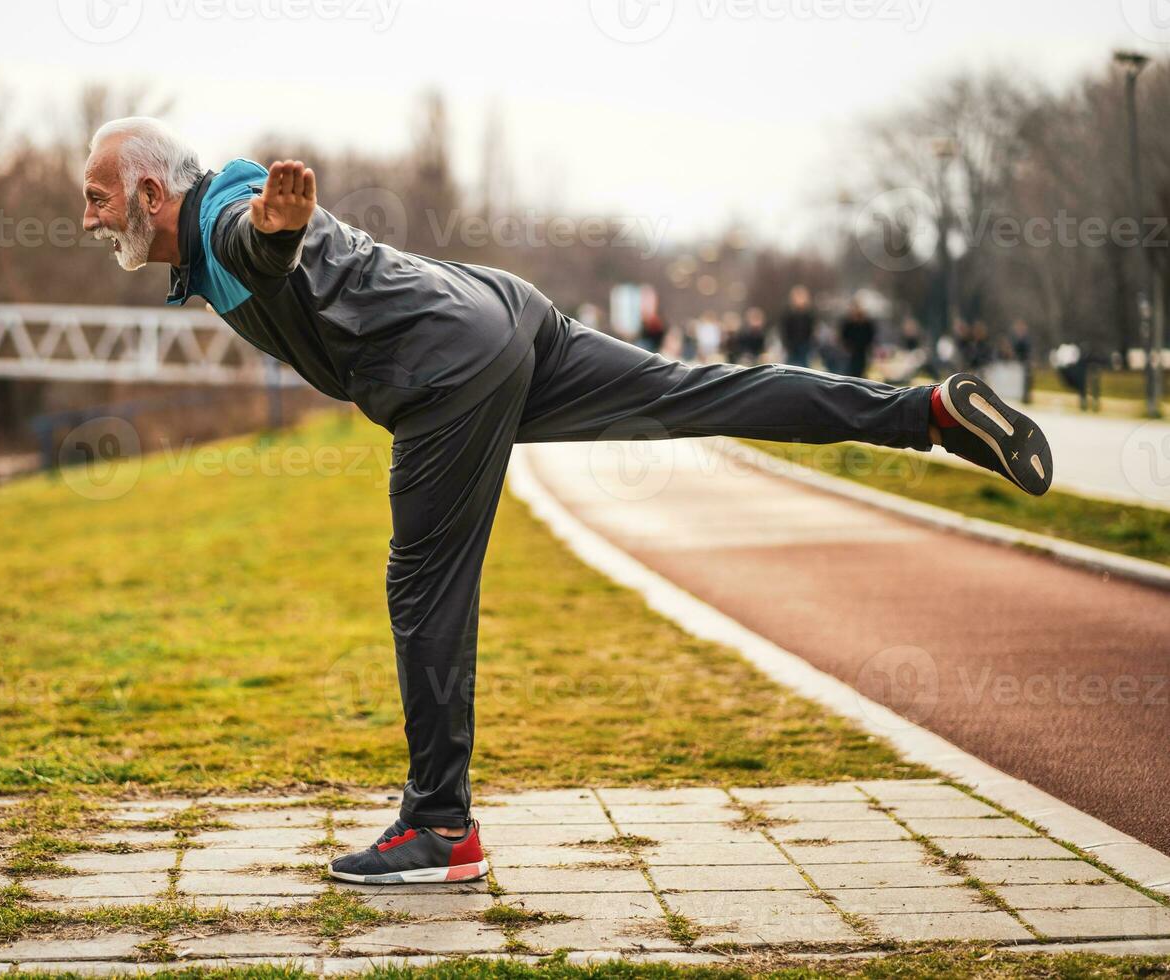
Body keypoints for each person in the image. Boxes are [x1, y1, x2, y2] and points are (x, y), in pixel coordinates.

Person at [80, 118, 1056, 886]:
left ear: (151, 192)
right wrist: (270, 236)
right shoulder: (207, 237)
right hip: (502, 312)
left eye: (96, 197)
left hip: (442, 368)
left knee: (422, 588)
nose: (88, 219)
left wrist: (273, 231)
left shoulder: (222, 215)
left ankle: (439, 825)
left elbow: (256, 238)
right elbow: (258, 246)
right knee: (695, 393)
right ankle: (925, 413)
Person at [778, 285, 817, 367]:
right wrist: (787, 344)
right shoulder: (788, 314)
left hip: (804, 346)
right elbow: (784, 330)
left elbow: (811, 330)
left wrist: (809, 343)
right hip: (791, 346)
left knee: (804, 367)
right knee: (789, 367)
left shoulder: (809, 315)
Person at [840, 298, 877, 379]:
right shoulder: (848, 322)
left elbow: (870, 334)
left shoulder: (866, 323)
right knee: (850, 369)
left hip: (862, 349)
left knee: (861, 369)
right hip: (851, 350)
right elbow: (844, 335)